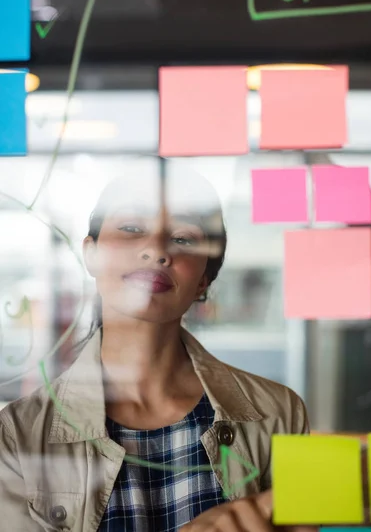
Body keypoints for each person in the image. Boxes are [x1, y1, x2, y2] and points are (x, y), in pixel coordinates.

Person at [0, 157, 309, 531]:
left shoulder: (278, 412)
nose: (157, 250)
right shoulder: (16, 435)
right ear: (91, 253)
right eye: (131, 227)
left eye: (184, 238)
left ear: (204, 281)